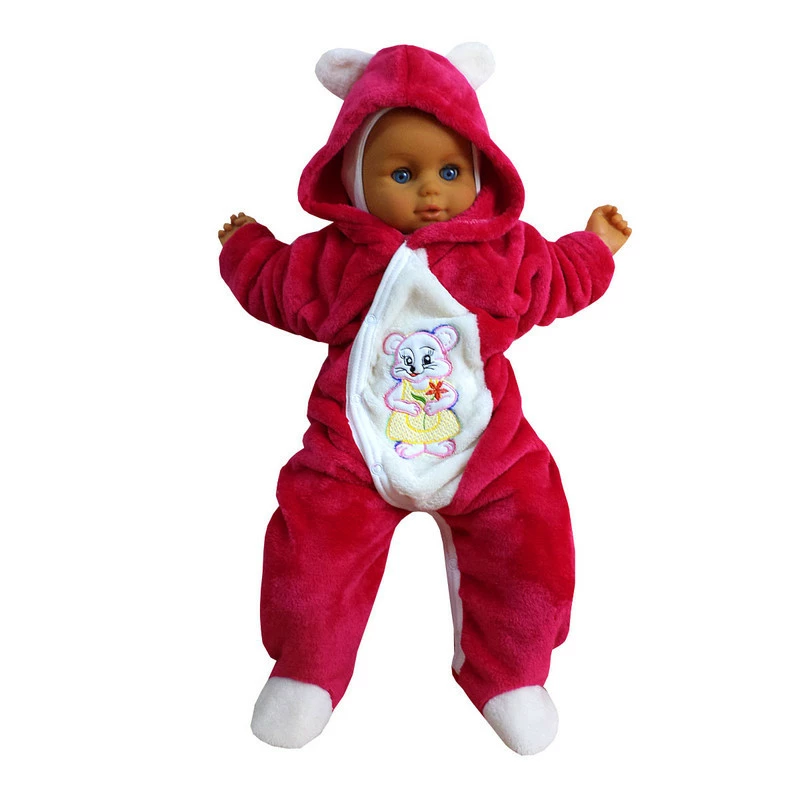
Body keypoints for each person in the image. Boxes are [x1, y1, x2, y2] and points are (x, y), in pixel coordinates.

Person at [218, 43, 631, 754]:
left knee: (531, 548)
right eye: (403, 174)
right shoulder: (334, 257)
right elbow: (275, 285)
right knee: (310, 555)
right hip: (352, 451)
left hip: (485, 451)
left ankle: (511, 676)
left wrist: (594, 247)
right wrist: (246, 247)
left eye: (449, 171)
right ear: (352, 176)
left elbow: (557, 278)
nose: (431, 193)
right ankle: (306, 672)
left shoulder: (503, 254)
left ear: (480, 168)